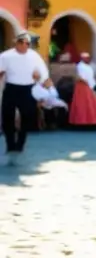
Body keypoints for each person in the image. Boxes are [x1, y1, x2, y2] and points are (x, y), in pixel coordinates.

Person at [1, 31, 49, 164]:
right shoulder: (6, 56)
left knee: (28, 117)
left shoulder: (34, 56)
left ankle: (20, 143)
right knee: (7, 118)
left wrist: (44, 84)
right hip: (11, 88)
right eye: (21, 42)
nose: (24, 45)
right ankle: (10, 145)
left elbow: (43, 73)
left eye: (26, 43)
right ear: (15, 42)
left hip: (28, 89)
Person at [68, 52, 96, 130]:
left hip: (90, 86)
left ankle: (94, 122)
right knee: (84, 105)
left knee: (93, 104)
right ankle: (83, 123)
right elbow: (81, 77)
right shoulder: (80, 66)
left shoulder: (88, 67)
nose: (88, 59)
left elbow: (91, 78)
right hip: (83, 87)